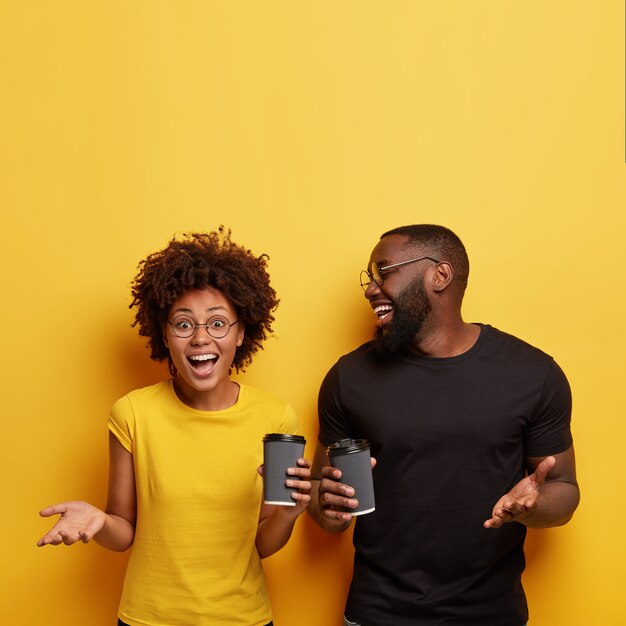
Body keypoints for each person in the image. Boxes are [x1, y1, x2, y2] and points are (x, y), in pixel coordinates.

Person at [37, 228, 311, 626]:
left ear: (241, 332)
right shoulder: (132, 413)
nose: (201, 338)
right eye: (184, 324)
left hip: (242, 618)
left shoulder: (276, 419)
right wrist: (98, 522)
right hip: (148, 618)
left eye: (218, 323)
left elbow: (262, 543)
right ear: (164, 333)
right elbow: (123, 530)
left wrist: (290, 512)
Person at [308, 224, 579, 626]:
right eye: (368, 278)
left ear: (440, 275)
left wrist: (534, 505)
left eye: (383, 272)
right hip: (378, 613)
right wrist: (327, 510)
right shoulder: (349, 378)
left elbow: (564, 491)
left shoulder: (533, 374)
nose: (369, 289)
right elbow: (320, 490)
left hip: (491, 614)